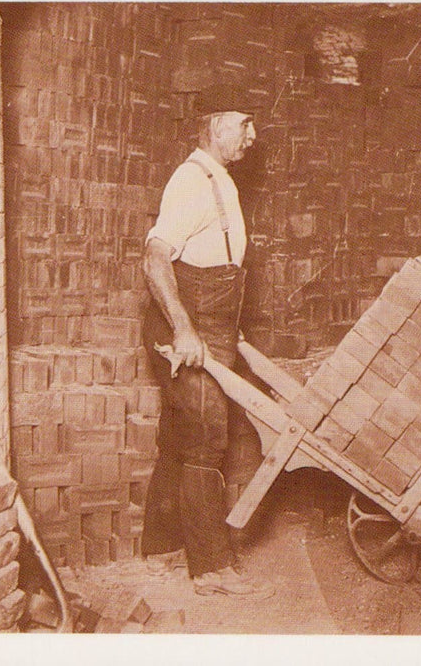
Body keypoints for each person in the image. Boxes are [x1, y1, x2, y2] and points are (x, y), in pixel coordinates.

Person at [139, 83, 273, 599]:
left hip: (211, 323)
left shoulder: (218, 179)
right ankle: (211, 568)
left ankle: (160, 548)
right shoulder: (192, 181)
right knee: (206, 441)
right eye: (245, 123)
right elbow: (155, 257)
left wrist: (225, 327)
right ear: (217, 125)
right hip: (189, 329)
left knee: (179, 436)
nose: (252, 135)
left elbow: (211, 263)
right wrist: (186, 329)